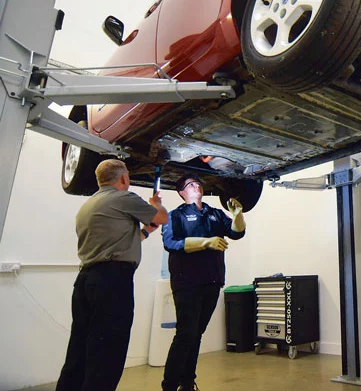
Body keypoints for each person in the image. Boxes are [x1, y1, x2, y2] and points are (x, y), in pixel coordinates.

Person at [56, 159, 168, 391]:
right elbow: (161, 218)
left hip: (86, 281)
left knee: (80, 348)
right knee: (108, 352)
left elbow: (118, 241)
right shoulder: (124, 198)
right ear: (124, 178)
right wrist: (156, 204)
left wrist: (145, 233)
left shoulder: (89, 206)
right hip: (112, 283)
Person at [161, 174, 247, 391]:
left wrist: (238, 215)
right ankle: (169, 386)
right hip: (186, 283)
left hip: (212, 281)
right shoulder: (175, 215)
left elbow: (237, 233)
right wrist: (206, 242)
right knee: (185, 334)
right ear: (182, 193)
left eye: (198, 183)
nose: (197, 185)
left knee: (196, 334)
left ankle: (188, 383)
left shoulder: (215, 213)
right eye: (191, 184)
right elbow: (171, 243)